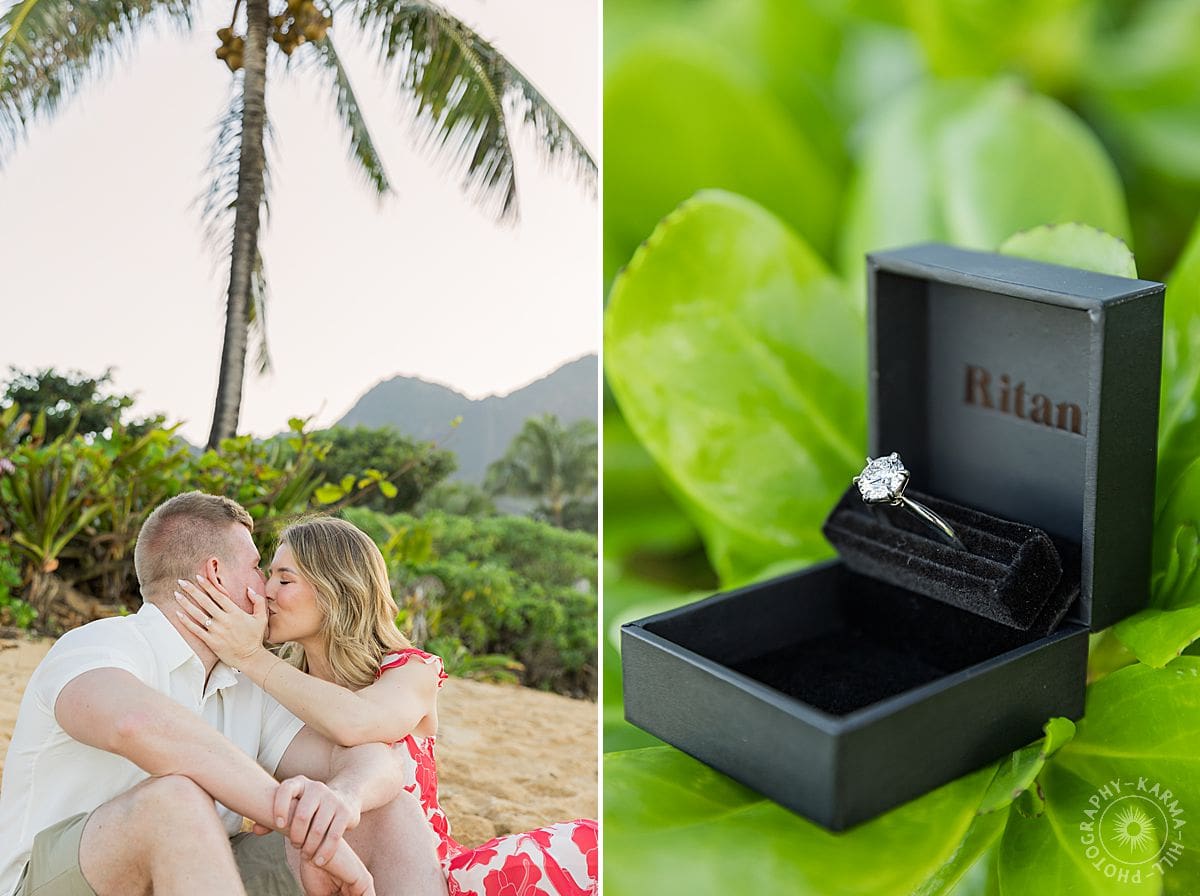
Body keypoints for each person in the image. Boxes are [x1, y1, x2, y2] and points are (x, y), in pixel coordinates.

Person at [0, 492, 449, 896]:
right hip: (57, 882)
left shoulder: (244, 683)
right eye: (257, 568)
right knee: (174, 801)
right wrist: (282, 810)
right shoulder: (102, 645)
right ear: (214, 573)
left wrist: (343, 798)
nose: (266, 587)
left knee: (389, 812)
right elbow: (135, 725)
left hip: (199, 873)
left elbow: (372, 759)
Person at [174, 515, 598, 896]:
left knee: (591, 846)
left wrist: (250, 656)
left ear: (336, 589)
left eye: (285, 581)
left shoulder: (410, 671)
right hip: (330, 872)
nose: (266, 592)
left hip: (429, 872)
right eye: (268, 577)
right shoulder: (274, 689)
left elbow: (358, 722)